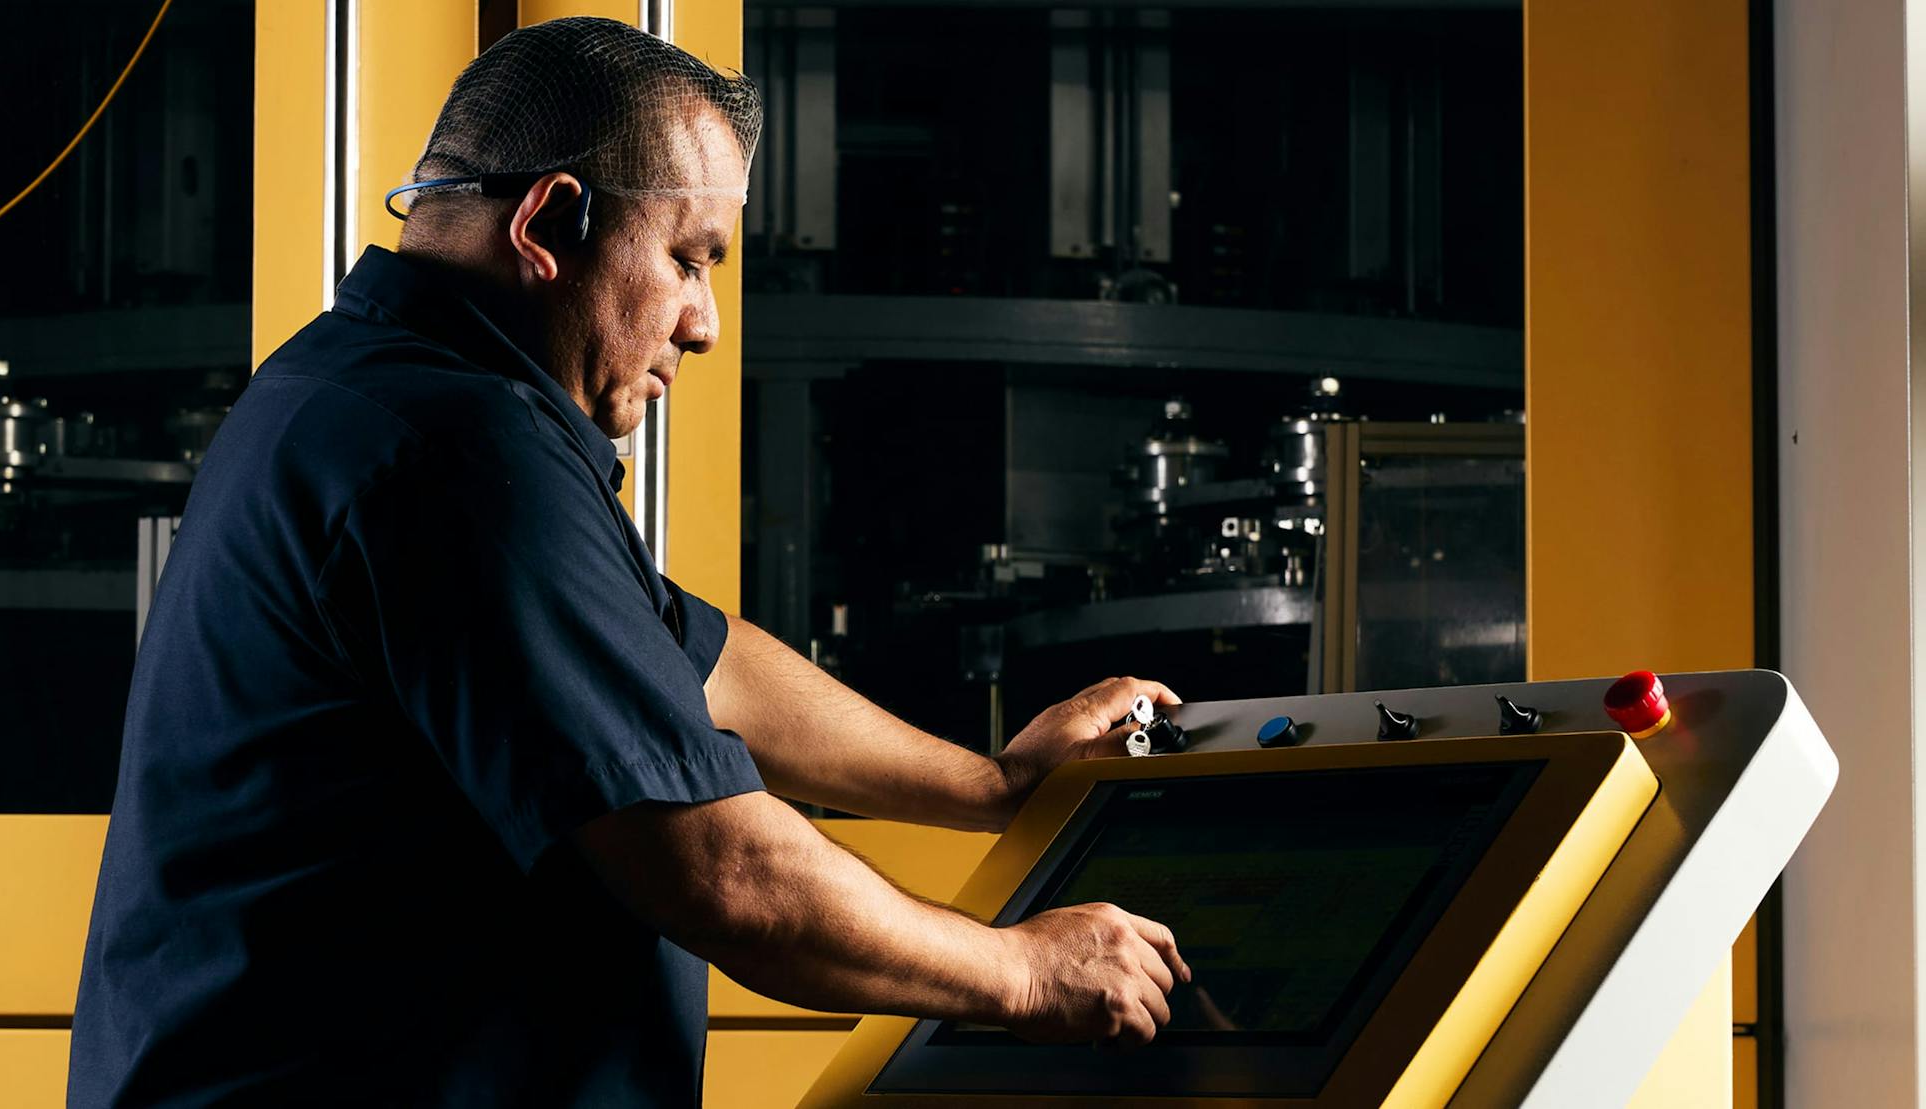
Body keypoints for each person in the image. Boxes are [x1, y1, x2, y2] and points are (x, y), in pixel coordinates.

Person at [67, 17, 1187, 1107]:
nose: (703, 323)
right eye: (689, 259)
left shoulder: (365, 390)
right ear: (551, 223)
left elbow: (692, 657)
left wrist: (991, 784)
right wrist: (1024, 970)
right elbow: (725, 874)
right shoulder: (452, 452)